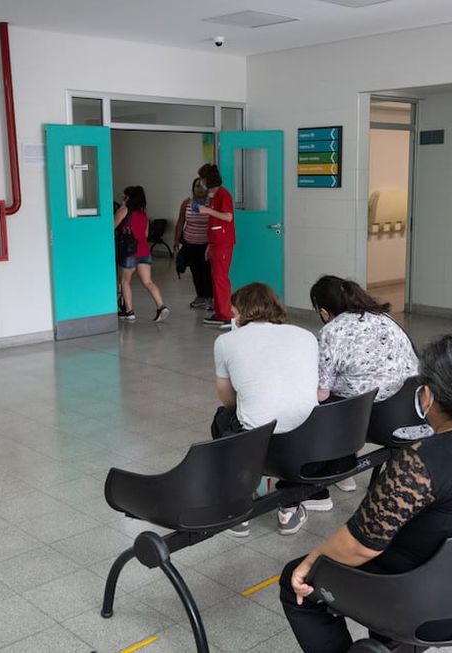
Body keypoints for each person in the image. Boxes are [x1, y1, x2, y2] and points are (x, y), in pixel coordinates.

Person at [279, 334, 452, 653]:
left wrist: (311, 562)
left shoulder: (421, 460)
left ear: (427, 395)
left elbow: (359, 546)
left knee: (295, 579)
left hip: (419, 606)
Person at [211, 283, 319, 536]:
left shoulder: (225, 341)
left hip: (257, 443)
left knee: (222, 419)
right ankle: (289, 509)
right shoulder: (306, 335)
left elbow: (227, 400)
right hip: (308, 442)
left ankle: (239, 506)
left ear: (242, 312)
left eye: (234, 313)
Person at [311, 275, 421, 493]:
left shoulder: (332, 332)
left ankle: (335, 469)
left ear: (323, 311)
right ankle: (343, 471)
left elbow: (322, 393)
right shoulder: (384, 318)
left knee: (321, 405)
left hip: (373, 420)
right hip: (411, 411)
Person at [114, 186, 170, 323]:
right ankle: (161, 306)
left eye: (124, 196)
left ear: (128, 198)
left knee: (125, 281)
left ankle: (129, 312)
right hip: (144, 251)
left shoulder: (124, 210)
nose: (122, 198)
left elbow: (111, 226)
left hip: (129, 251)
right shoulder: (143, 214)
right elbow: (145, 235)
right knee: (148, 281)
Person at [197, 164, 235, 329]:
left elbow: (228, 217)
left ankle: (226, 315)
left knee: (221, 279)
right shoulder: (214, 196)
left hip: (223, 243)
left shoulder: (223, 195)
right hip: (215, 243)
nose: (201, 182)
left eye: (203, 179)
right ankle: (219, 312)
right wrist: (209, 246)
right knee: (216, 278)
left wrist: (207, 211)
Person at [174, 177, 213, 309]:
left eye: (203, 186)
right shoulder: (187, 203)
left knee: (207, 272)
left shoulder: (211, 203)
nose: (200, 189)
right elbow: (181, 222)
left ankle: (210, 298)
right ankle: (200, 296)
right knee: (196, 272)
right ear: (193, 188)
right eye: (197, 186)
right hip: (190, 244)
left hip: (206, 245)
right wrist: (176, 240)